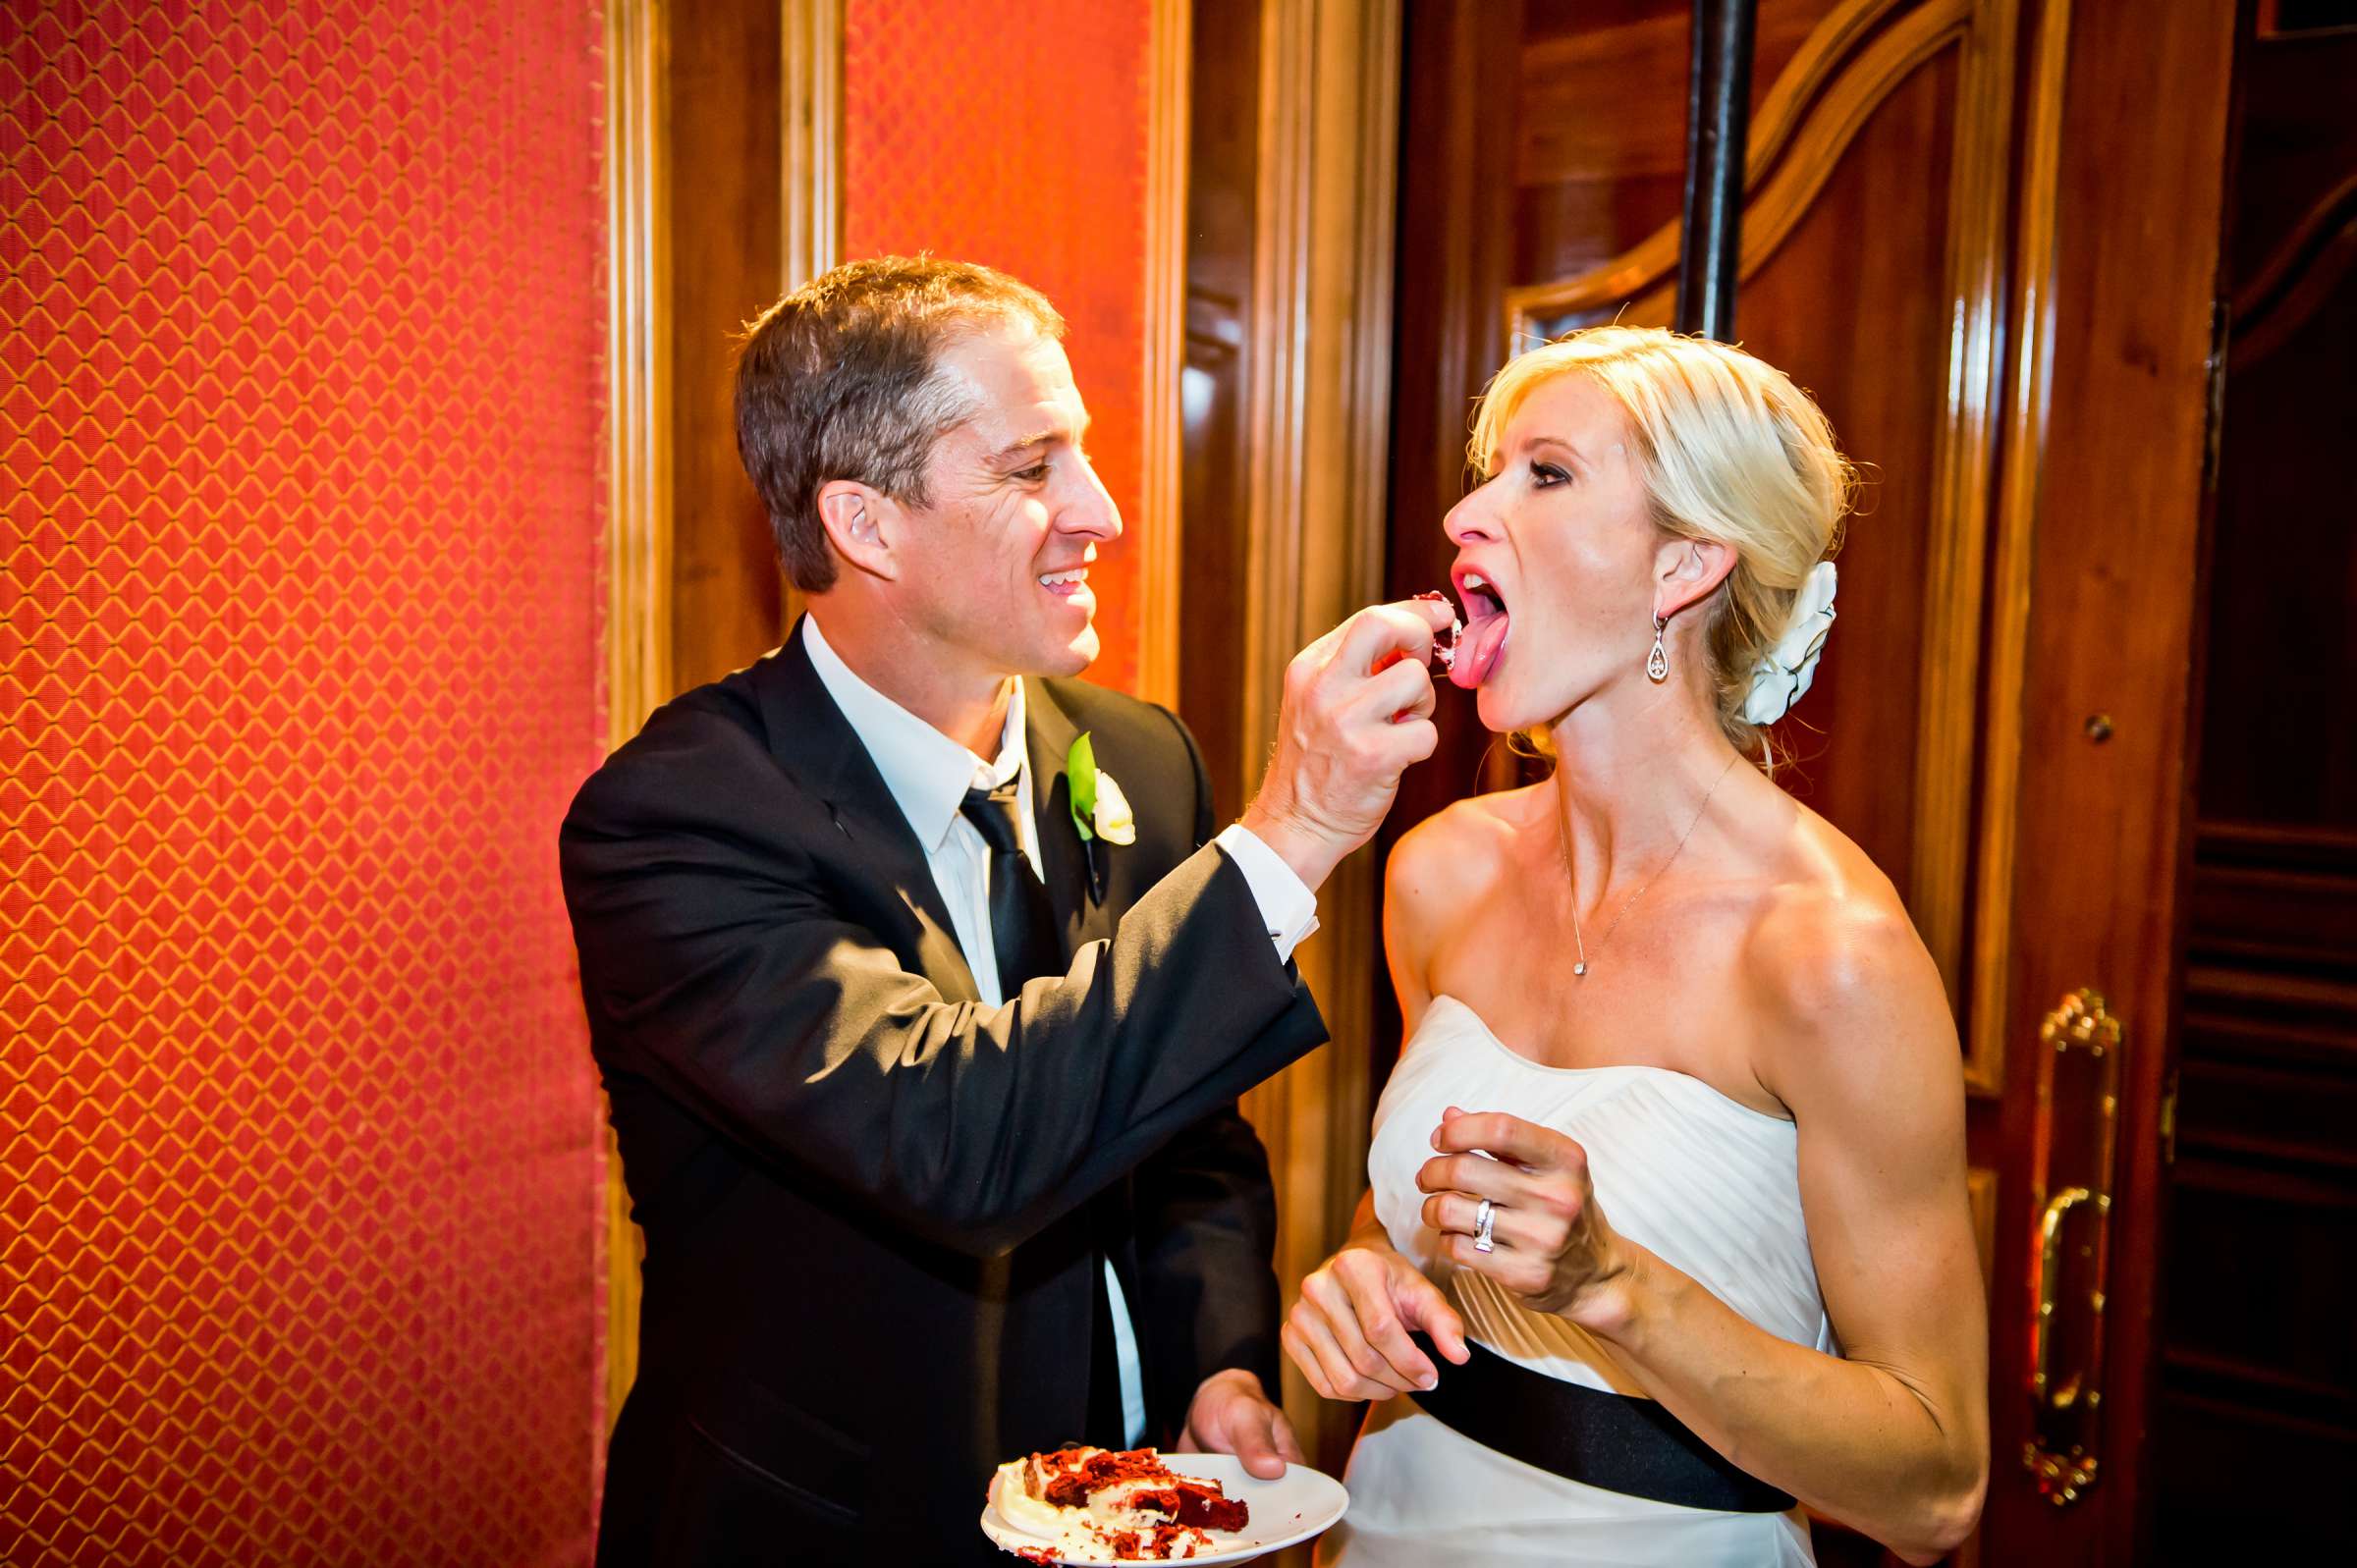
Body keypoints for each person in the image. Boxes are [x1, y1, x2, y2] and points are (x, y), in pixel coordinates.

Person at [559, 255, 1453, 1566]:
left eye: (1077, 454)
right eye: (1031, 469)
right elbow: (956, 1138)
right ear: (867, 526)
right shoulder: (680, 822)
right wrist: (1293, 836)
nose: (1099, 511)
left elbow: (1189, 1136)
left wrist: (1215, 1364)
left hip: (1134, 1513)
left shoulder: (1139, 758)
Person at [1285, 326, 1990, 1566]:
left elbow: (1936, 1491)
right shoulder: (1437, 873)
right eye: (1491, 470)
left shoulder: (1828, 953)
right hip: (1390, 1517)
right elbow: (1412, 1221)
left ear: (1685, 566)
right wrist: (1361, 1280)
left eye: (1545, 475)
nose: (1466, 512)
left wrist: (1617, 1285)